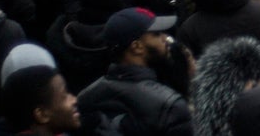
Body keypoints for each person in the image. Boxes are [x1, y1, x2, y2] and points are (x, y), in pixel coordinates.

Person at [76, 7, 192, 136]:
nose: (165, 38)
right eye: (157, 34)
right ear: (137, 47)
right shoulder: (170, 106)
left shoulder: (85, 98)